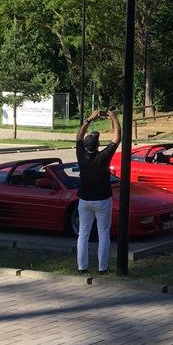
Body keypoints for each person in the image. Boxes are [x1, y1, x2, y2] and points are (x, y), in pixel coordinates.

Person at [74, 109, 121, 275]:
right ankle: (103, 268)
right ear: (97, 145)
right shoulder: (103, 157)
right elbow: (117, 138)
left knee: (83, 233)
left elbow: (78, 137)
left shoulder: (81, 154)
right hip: (102, 199)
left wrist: (89, 119)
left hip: (84, 200)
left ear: (86, 146)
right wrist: (114, 118)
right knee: (103, 234)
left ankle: (82, 267)